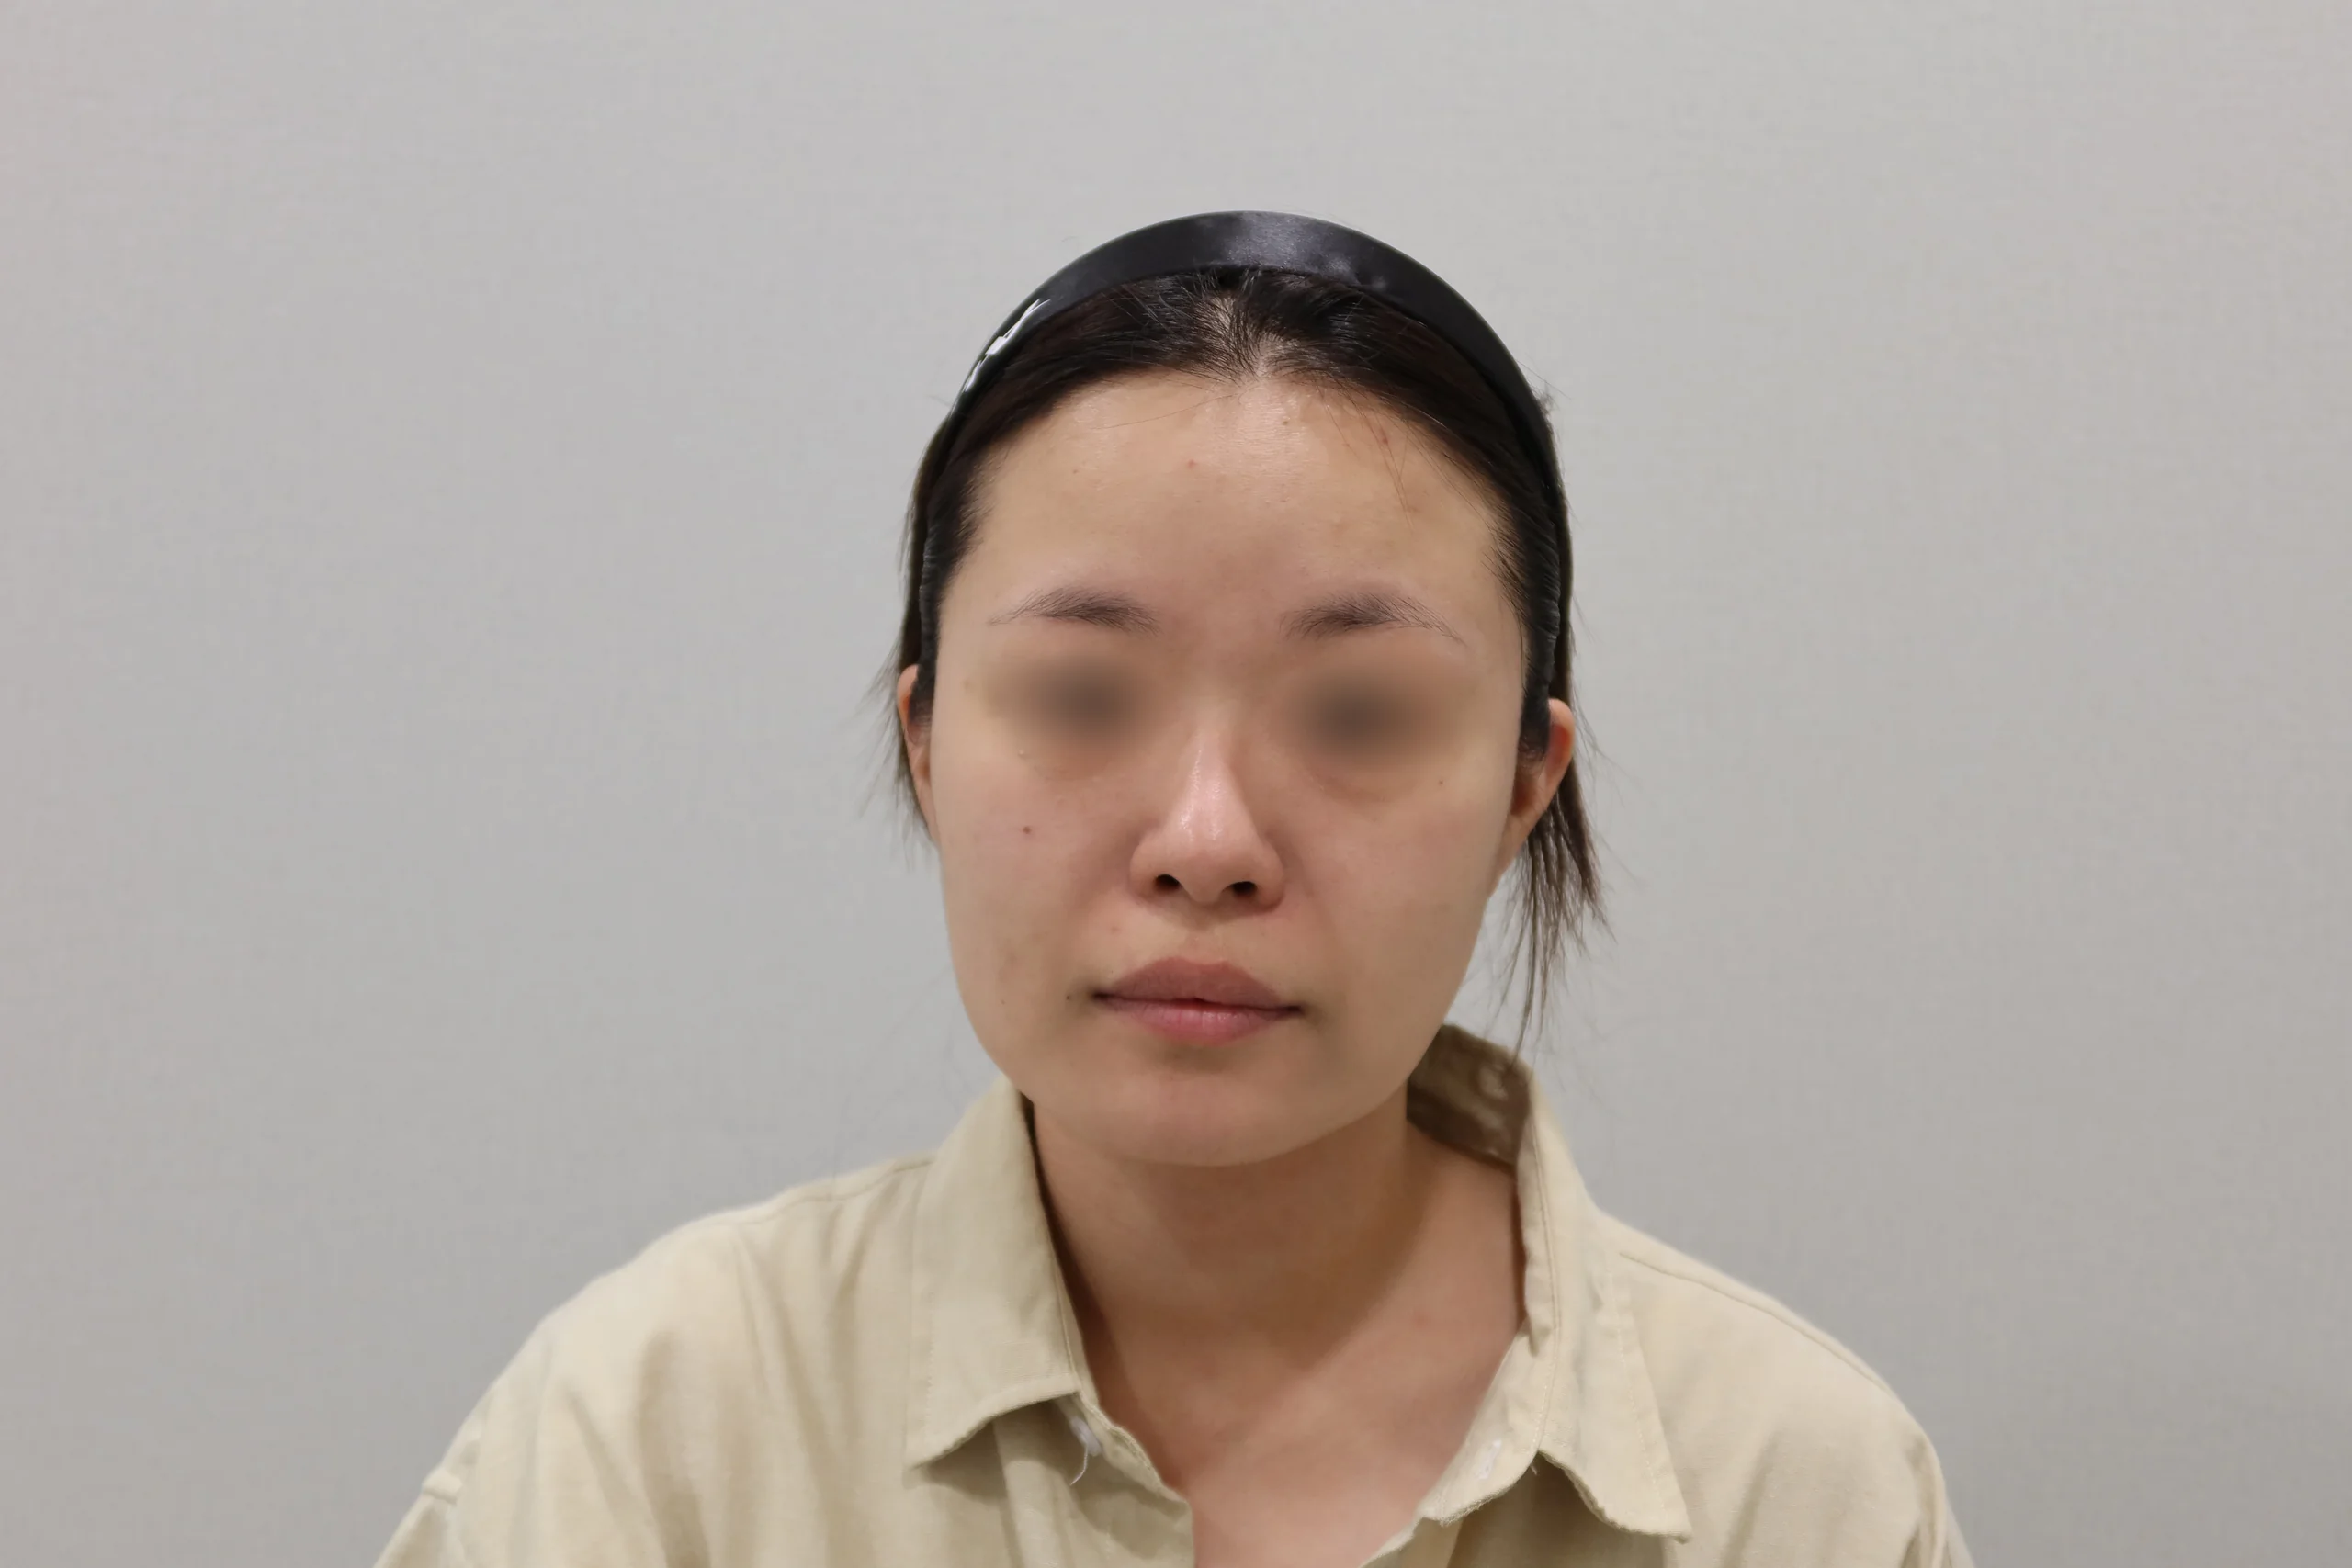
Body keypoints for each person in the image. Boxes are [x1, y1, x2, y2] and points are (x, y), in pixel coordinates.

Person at [372, 211, 1974, 1568]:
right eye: (1083, 696)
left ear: (1521, 785)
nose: (1207, 840)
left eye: (1358, 715)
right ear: (926, 740)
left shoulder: (1796, 1490)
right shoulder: (648, 1444)